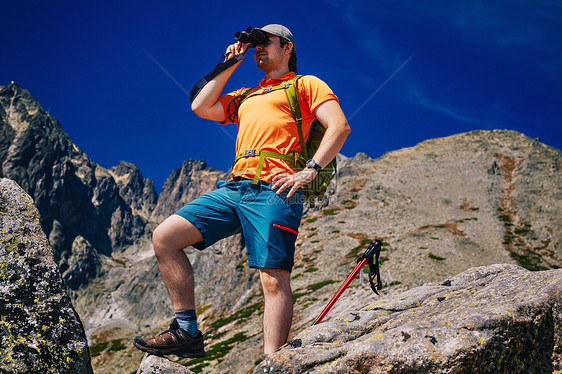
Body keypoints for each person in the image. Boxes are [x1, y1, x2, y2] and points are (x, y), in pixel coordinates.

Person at [133, 24, 350, 359]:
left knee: (273, 280)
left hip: (275, 190)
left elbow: (339, 125)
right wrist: (230, 62)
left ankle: (272, 361)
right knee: (165, 237)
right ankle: (187, 331)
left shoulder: (305, 84)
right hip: (235, 187)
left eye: (265, 43)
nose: (258, 49)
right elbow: (201, 106)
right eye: (255, 44)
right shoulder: (248, 94)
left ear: (287, 47)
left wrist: (310, 171)